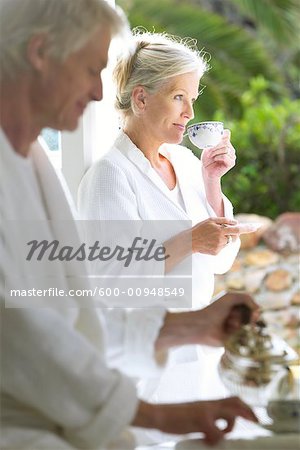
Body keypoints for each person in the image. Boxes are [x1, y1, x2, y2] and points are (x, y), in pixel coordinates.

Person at [0, 1, 258, 449]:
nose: (100, 94)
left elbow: (75, 318)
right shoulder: (103, 176)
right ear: (40, 51)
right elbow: (25, 333)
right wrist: (156, 415)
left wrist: (192, 327)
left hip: (167, 369)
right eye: (88, 69)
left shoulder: (34, 161)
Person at [78, 31, 254, 403]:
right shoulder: (109, 176)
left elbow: (221, 259)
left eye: (191, 99)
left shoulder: (186, 163)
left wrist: (211, 182)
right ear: (141, 97)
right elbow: (110, 282)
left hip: (201, 359)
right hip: (148, 366)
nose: (189, 113)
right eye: (179, 97)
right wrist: (190, 240)